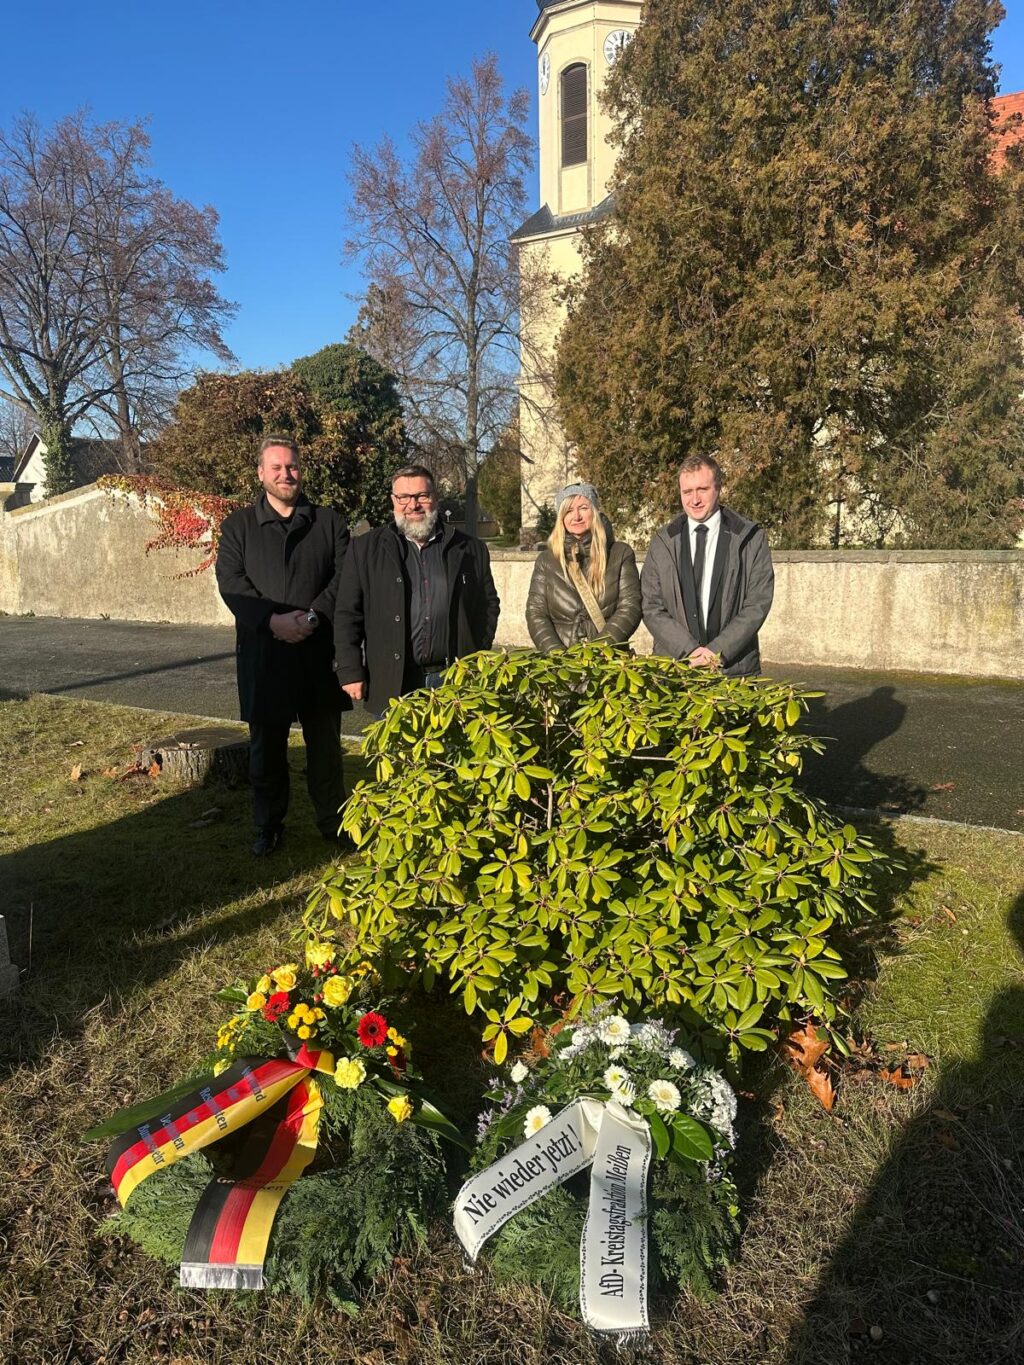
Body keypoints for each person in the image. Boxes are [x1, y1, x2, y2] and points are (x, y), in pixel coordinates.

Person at [216, 437, 350, 856]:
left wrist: (311, 618)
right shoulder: (237, 526)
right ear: (261, 473)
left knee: (326, 749)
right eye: (275, 467)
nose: (285, 474)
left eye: (291, 466)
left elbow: (344, 579)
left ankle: (334, 823)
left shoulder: (329, 522)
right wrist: (272, 621)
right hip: (264, 653)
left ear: (300, 470)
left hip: (318, 652)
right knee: (266, 751)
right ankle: (268, 826)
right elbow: (232, 583)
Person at [333, 464, 500, 712]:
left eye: (422, 496)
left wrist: (476, 652)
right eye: (404, 497)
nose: (413, 505)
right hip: (392, 681)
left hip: (453, 681)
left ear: (435, 498)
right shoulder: (364, 549)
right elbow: (347, 614)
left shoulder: (470, 549)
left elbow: (488, 606)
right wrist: (349, 669)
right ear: (393, 500)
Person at [641, 455, 774, 676]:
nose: (695, 500)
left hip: (733, 670)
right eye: (687, 492)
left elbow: (757, 603)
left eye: (702, 489)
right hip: (676, 669)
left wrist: (717, 651)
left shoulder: (750, 538)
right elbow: (651, 605)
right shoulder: (663, 541)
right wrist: (689, 651)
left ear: (718, 488)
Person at [525, 482, 641, 650]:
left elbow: (630, 607)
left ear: (595, 511)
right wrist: (556, 654)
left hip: (609, 657)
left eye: (583, 508)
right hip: (561, 661)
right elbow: (536, 613)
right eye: (569, 511)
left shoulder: (620, 554)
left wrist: (598, 650)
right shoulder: (546, 561)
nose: (576, 516)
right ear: (561, 518)